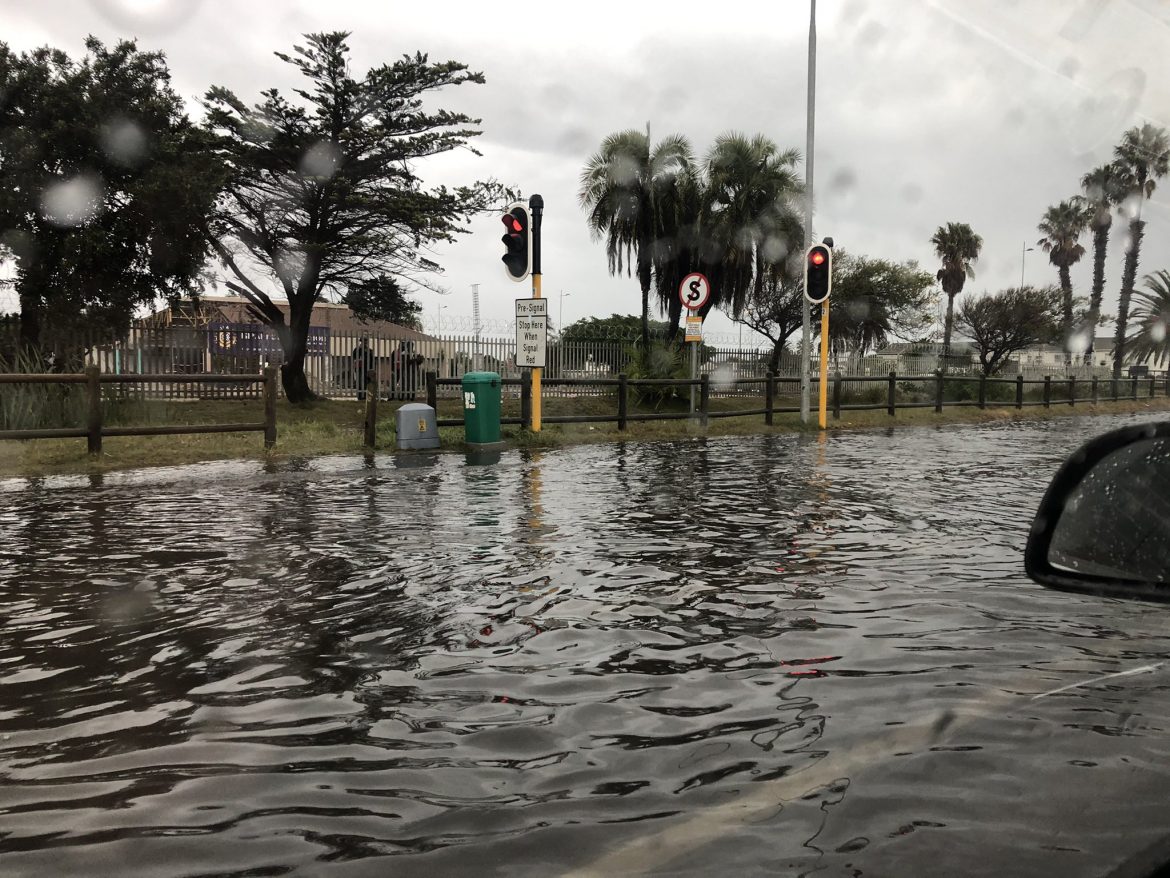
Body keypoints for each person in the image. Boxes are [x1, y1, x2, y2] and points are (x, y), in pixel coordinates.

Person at [352, 336, 375, 400]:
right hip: (360, 368)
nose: (365, 342)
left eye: (366, 341)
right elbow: (354, 358)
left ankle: (366, 397)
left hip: (368, 369)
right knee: (360, 382)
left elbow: (372, 360)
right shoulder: (357, 350)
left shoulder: (370, 351)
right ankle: (360, 397)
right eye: (363, 341)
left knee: (367, 383)